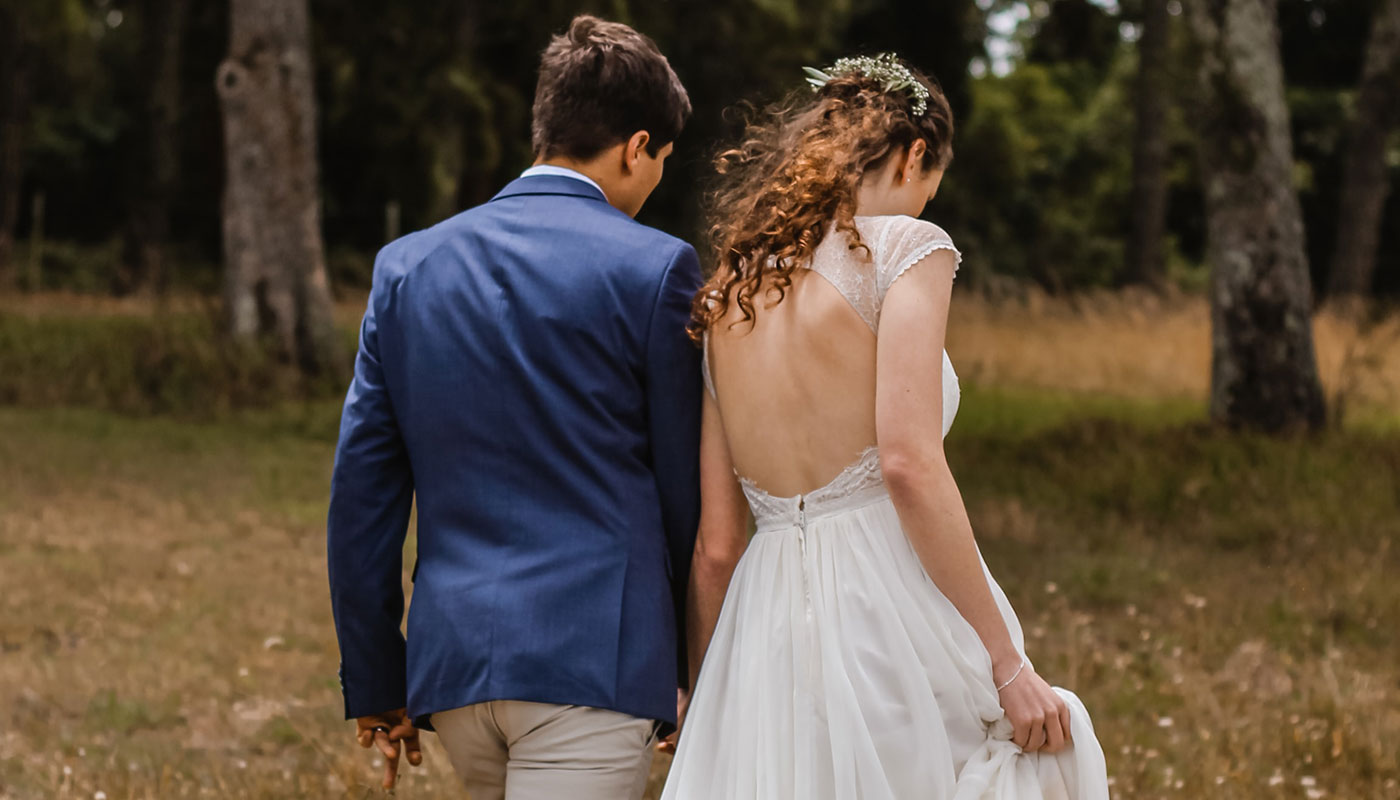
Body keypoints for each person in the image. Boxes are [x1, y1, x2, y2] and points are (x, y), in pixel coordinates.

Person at [661, 54, 1111, 799]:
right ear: (914, 154)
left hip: (762, 620)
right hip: (884, 602)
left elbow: (715, 547)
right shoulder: (907, 250)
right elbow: (906, 462)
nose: (927, 201)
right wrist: (1006, 661)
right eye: (932, 182)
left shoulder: (727, 296)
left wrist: (710, 698)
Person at [326, 15, 701, 799]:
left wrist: (377, 680)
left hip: (455, 672)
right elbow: (682, 495)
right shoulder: (657, 269)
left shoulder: (406, 268)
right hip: (596, 666)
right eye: (661, 160)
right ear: (637, 148)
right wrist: (691, 664)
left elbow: (362, 498)